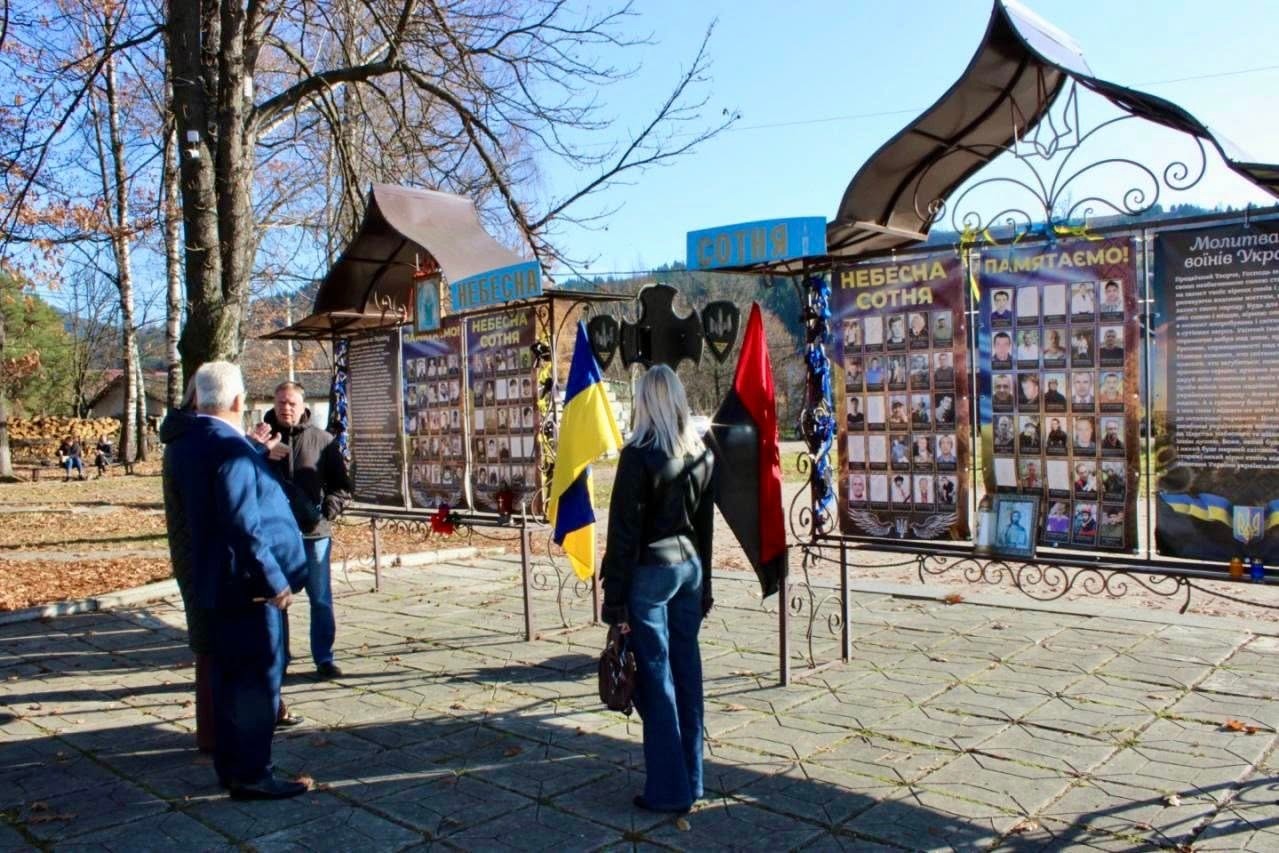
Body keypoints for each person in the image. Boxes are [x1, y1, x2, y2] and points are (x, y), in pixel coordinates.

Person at [165, 361, 309, 800]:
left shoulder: (188, 441)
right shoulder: (227, 447)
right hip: (248, 589)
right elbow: (243, 522)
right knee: (257, 682)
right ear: (237, 401)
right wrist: (274, 580)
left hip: (216, 583)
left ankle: (231, 767)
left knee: (227, 682)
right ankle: (253, 773)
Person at [600, 365, 714, 814]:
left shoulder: (638, 454)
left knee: (657, 675)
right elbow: (705, 526)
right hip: (690, 569)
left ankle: (669, 790)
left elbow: (624, 531)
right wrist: (706, 587)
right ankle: (693, 777)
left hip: (651, 574)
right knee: (688, 673)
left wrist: (614, 601)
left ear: (646, 402)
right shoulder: (701, 451)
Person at [261, 382, 354, 680]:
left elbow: (342, 487)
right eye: (280, 403)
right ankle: (279, 658)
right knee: (277, 598)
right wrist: (260, 453)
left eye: (291, 403)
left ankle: (324, 658)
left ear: (303, 406)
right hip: (275, 535)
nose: (285, 408)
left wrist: (328, 510)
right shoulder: (261, 439)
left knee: (321, 598)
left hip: (314, 533)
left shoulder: (322, 440)